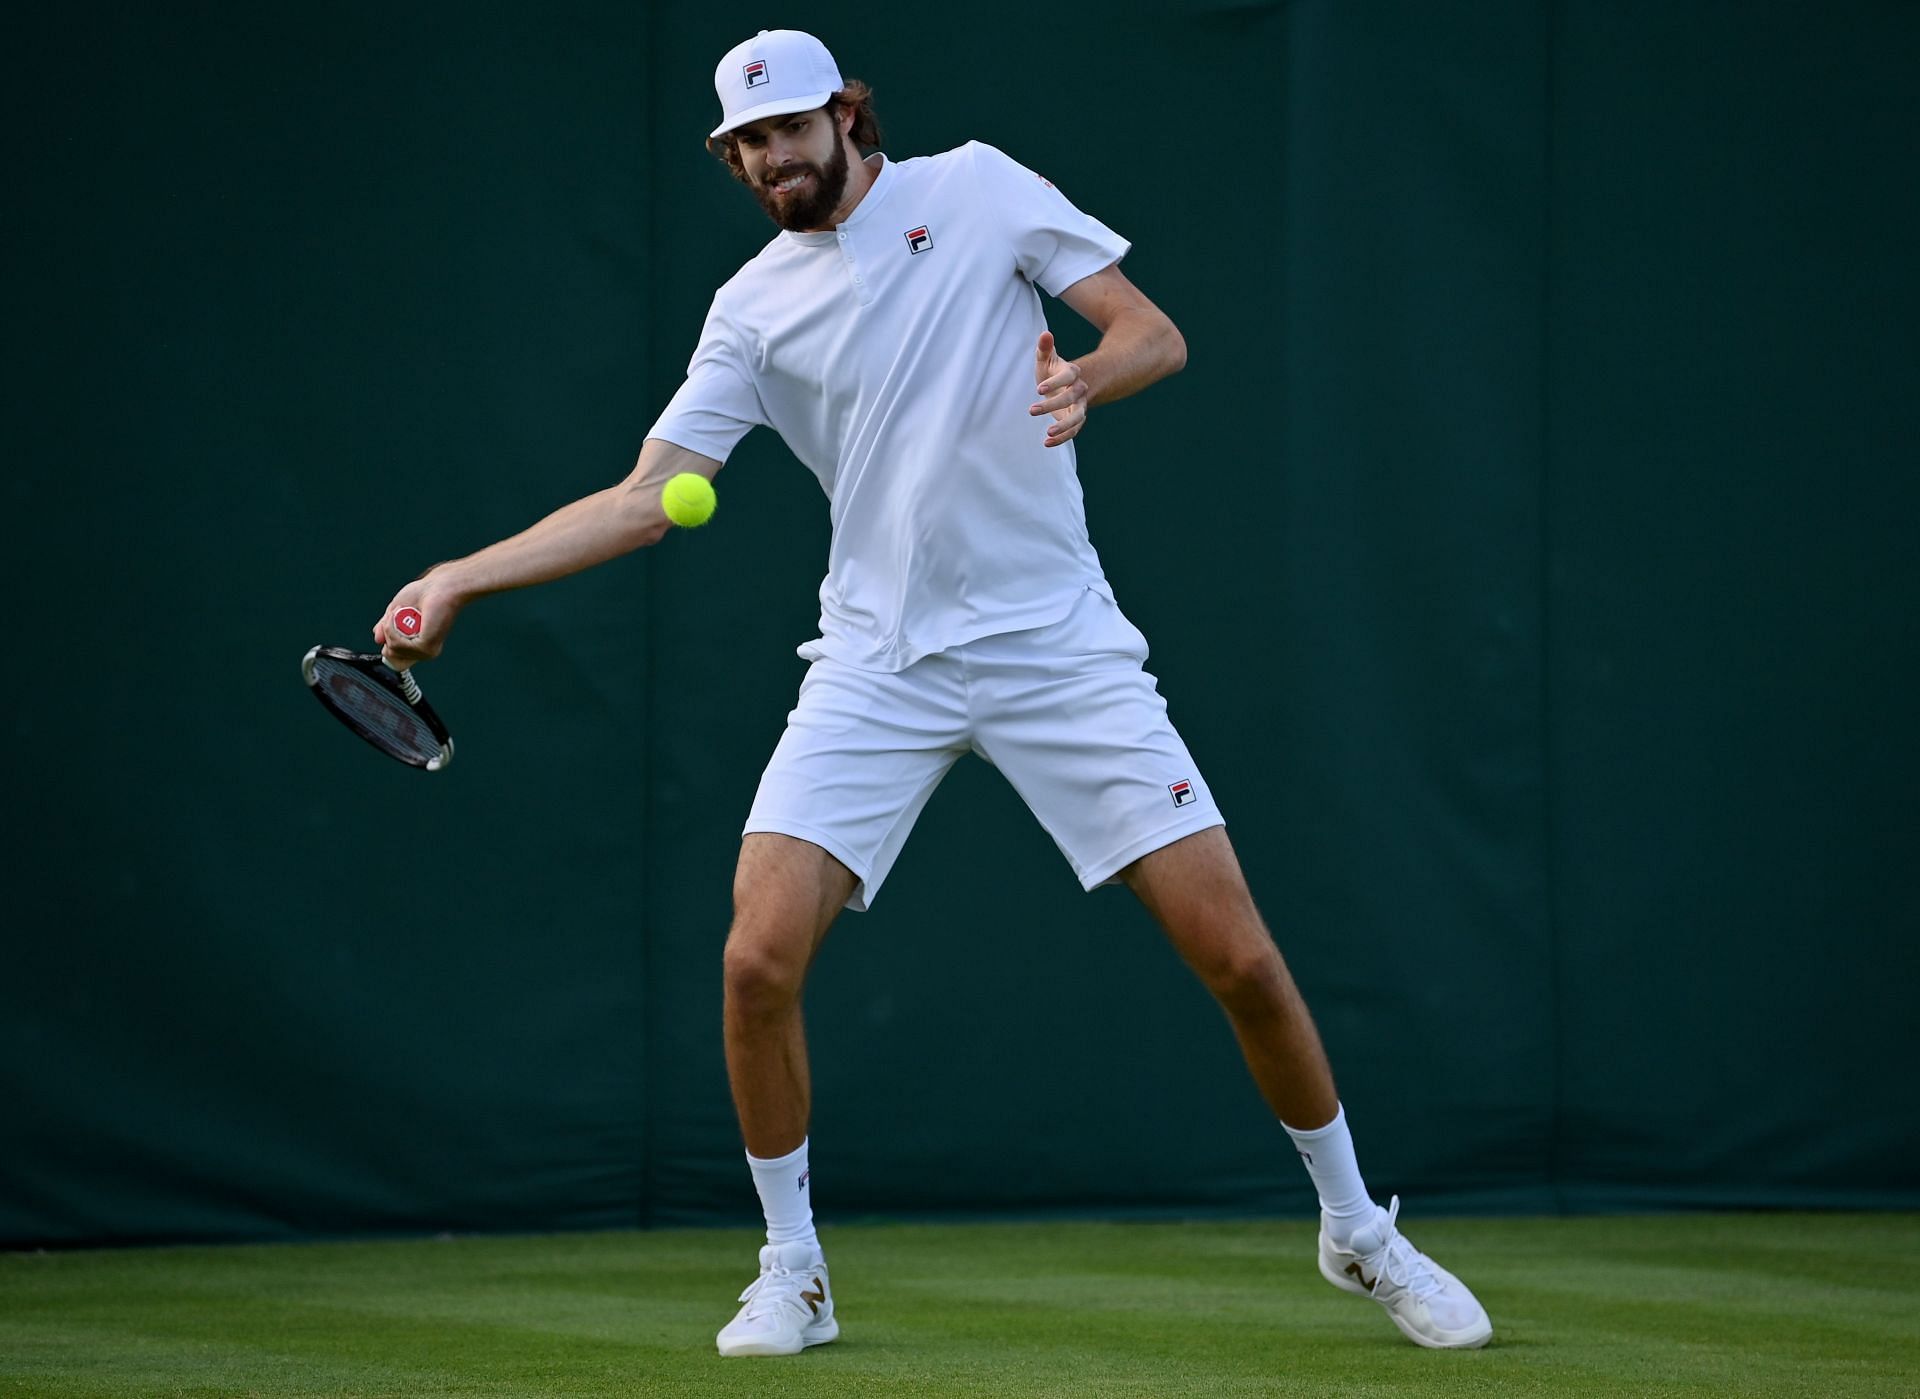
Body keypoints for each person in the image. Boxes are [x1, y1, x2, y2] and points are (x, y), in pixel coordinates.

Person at [375, 27, 1493, 1359]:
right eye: (744, 143)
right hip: (875, 666)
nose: (769, 157)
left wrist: (1088, 373)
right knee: (754, 960)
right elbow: (641, 501)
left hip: (1058, 651)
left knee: (1240, 957)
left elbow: (1153, 333)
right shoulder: (751, 309)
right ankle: (792, 1269)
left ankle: (1358, 1231)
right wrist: (458, 578)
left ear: (848, 114)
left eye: (789, 128)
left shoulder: (975, 189)